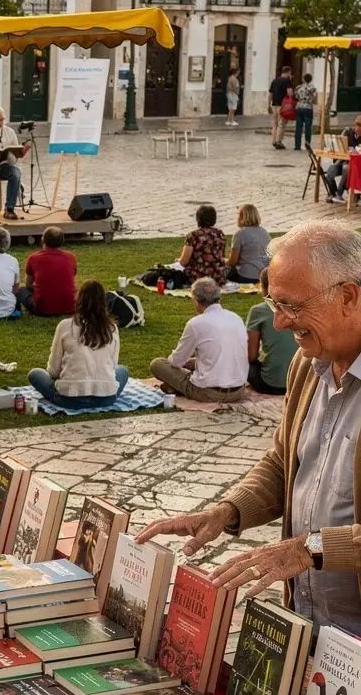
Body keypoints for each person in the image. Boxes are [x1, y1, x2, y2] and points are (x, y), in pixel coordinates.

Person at [138, 221, 361, 637]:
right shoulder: (307, 366)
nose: (278, 323)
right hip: (315, 629)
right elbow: (285, 462)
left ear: (347, 296)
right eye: (273, 303)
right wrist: (228, 511)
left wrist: (308, 549)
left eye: (291, 305)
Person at [28, 279, 129, 410]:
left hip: (70, 398)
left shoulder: (65, 326)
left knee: (35, 374)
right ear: (103, 303)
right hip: (106, 398)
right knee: (122, 370)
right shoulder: (112, 328)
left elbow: (53, 371)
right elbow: (113, 366)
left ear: (79, 300)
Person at [150, 277, 248, 403]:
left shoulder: (196, 324)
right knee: (195, 364)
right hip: (238, 392)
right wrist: (196, 362)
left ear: (196, 301)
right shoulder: (236, 318)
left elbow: (176, 362)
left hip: (208, 393)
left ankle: (175, 387)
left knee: (157, 364)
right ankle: (175, 387)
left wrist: (183, 362)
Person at [246, 269, 298, 395]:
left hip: (270, 383)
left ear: (264, 287)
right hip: (300, 383)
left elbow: (251, 356)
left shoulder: (258, 311)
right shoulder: (301, 307)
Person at [17, 226, 78, 316]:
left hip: (41, 310)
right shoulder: (71, 257)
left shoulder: (34, 258)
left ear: (42, 240)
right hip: (70, 307)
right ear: (62, 242)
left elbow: (28, 285)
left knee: (21, 290)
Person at [178, 204, 228, 286]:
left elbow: (183, 262)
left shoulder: (193, 235)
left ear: (198, 219)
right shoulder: (220, 234)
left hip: (198, 277)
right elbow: (220, 256)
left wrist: (180, 261)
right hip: (218, 277)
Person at [228, 203, 270, 284]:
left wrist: (223, 261)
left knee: (222, 269)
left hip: (246, 277)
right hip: (264, 277)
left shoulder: (240, 234)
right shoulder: (265, 233)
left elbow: (232, 262)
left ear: (242, 217)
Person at [326, 115, 361, 201]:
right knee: (330, 171)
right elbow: (339, 144)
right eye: (356, 126)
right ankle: (333, 193)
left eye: (359, 127)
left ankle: (339, 194)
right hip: (341, 161)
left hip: (354, 166)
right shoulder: (348, 132)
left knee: (346, 168)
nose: (356, 129)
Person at [269, 65, 294, 150]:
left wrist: (269, 104)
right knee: (281, 124)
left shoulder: (274, 80)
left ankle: (273, 140)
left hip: (274, 104)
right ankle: (278, 141)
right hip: (283, 106)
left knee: (275, 124)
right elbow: (290, 93)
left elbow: (270, 93)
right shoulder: (287, 81)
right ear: (289, 72)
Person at [294, 72, 318, 152]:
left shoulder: (298, 87)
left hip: (299, 107)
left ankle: (297, 146)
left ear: (303, 79)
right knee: (308, 128)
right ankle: (307, 145)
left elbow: (296, 96)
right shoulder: (312, 88)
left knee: (298, 128)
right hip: (308, 108)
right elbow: (315, 98)